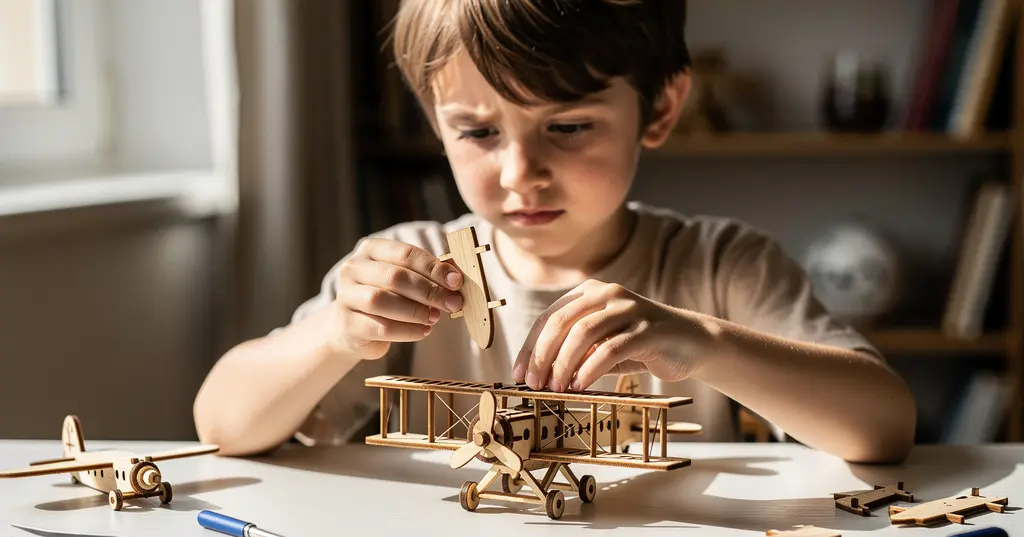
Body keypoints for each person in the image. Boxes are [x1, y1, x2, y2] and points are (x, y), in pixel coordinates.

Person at [193, 0, 916, 463]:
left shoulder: (722, 265)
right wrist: (330, 337)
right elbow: (223, 424)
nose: (520, 174)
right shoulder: (408, 262)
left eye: (567, 127)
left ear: (660, 110)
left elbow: (882, 425)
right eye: (476, 131)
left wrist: (704, 343)